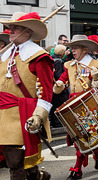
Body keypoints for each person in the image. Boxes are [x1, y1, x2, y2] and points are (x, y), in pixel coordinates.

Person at [0, 12, 53, 180]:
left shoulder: (39, 57)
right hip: (2, 113)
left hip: (21, 114)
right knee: (18, 159)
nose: (10, 31)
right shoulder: (5, 55)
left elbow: (46, 90)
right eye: (10, 27)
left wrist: (38, 115)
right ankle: (37, 177)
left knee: (14, 161)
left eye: (15, 28)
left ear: (27, 32)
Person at [53, 34, 98, 179]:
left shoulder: (95, 64)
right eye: (71, 48)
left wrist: (97, 77)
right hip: (73, 106)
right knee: (79, 138)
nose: (72, 51)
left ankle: (96, 153)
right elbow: (63, 80)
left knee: (91, 137)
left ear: (84, 49)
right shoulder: (69, 65)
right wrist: (59, 84)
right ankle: (78, 168)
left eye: (75, 48)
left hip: (90, 106)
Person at [49, 44, 69, 128]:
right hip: (58, 86)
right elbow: (59, 75)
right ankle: (57, 122)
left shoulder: (52, 59)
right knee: (59, 104)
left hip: (52, 86)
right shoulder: (59, 61)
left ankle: (54, 121)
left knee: (54, 104)